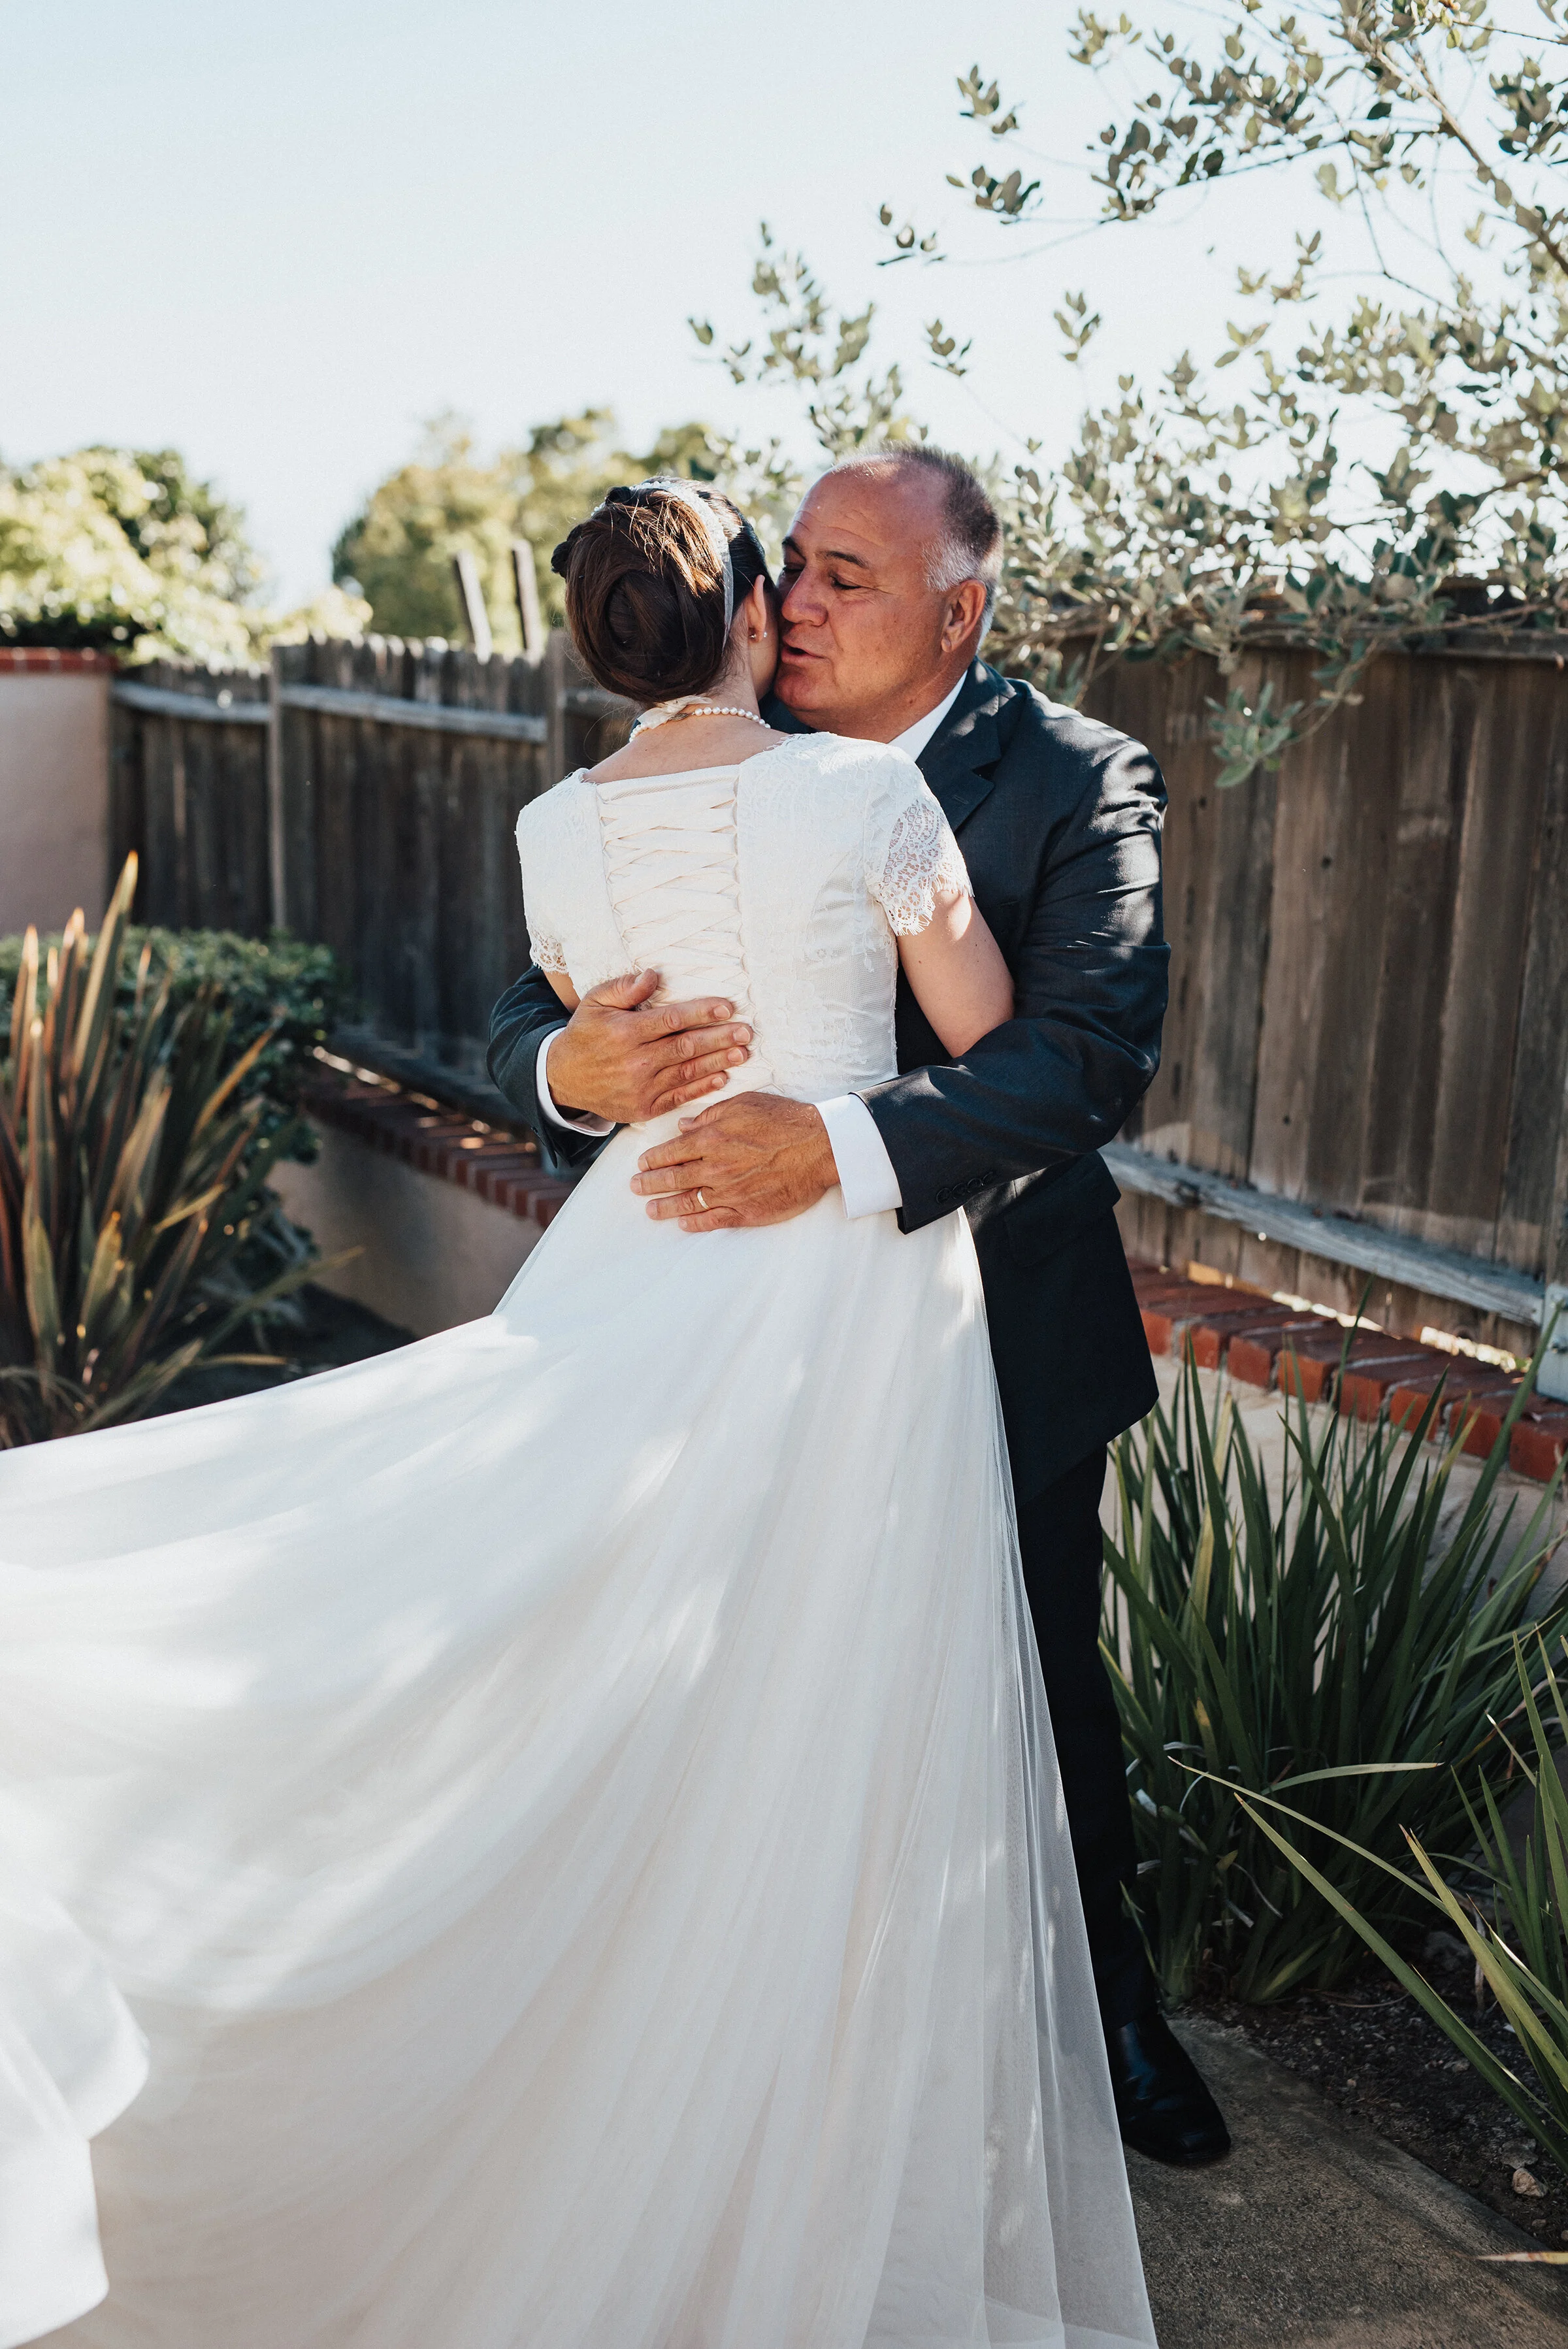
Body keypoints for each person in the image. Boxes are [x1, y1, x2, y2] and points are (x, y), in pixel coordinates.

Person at [0, 479, 1157, 2349]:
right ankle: (755, 2118)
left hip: (665, 1253)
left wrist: (756, 1089)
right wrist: (580, 1061)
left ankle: (806, 2065)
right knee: (823, 1696)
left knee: (710, 1672)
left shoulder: (558, 827)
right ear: (754, 606)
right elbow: (967, 1009)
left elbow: (1074, 1053)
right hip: (842, 1305)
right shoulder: (868, 795)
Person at [489, 448, 1230, 2169]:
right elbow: (510, 1012)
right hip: (698, 1326)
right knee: (713, 1667)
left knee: (1035, 1667)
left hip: (994, 1318)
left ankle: (1100, 2003)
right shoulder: (659, 781)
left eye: (847, 579)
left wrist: (834, 1144)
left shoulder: (1073, 778)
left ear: (958, 610)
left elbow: (1086, 1051)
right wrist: (565, 1063)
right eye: (796, 569)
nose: (805, 603)